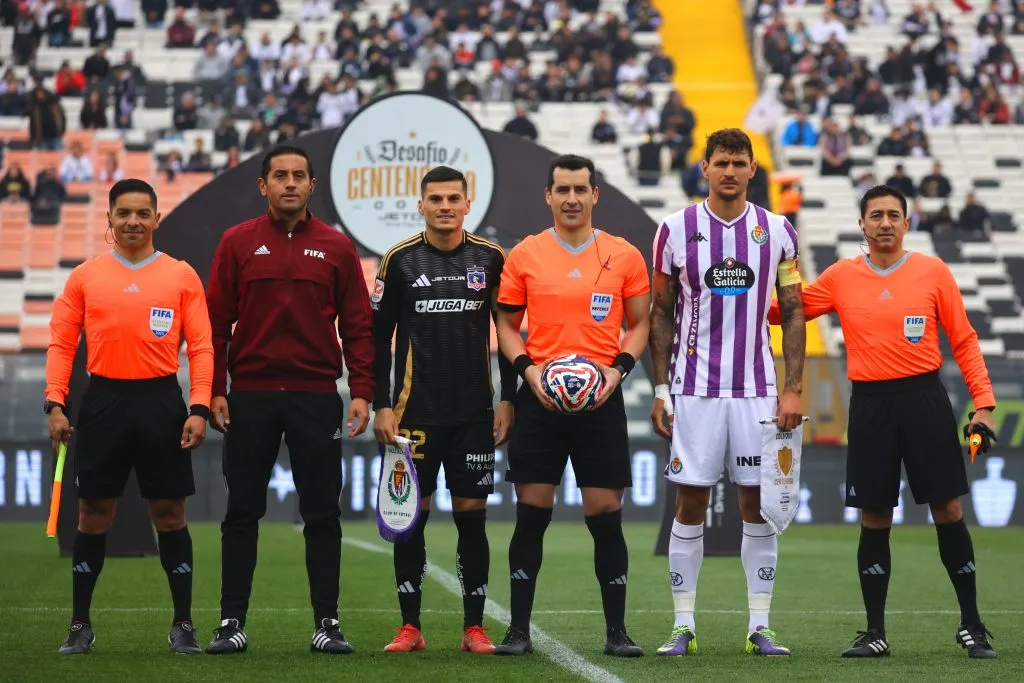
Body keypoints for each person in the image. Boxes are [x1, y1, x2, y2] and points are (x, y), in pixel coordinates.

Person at [767, 185, 998, 659]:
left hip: (926, 400)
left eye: (894, 214)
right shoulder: (841, 276)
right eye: (876, 215)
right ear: (862, 224)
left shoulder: (933, 271)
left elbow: (965, 339)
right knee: (875, 516)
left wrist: (985, 405)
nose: (886, 222)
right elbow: (787, 313)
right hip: (870, 405)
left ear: (907, 224)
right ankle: (875, 633)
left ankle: (972, 625)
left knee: (948, 511)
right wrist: (745, 290)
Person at [204, 146, 374, 655]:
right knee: (241, 513)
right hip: (250, 396)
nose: (290, 184)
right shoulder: (237, 243)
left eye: (299, 175)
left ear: (313, 185)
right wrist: (214, 388)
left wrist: (362, 389)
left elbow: (359, 328)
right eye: (280, 175)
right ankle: (231, 623)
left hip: (316, 396)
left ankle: (327, 623)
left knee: (322, 513)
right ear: (263, 186)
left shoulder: (337, 248)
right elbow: (214, 327)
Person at [648, 128, 805, 658]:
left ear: (752, 169)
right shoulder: (675, 229)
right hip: (693, 390)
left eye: (740, 162)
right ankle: (683, 626)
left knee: (756, 505)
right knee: (690, 501)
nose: (730, 171)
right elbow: (662, 312)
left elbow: (795, 309)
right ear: (705, 168)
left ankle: (760, 625)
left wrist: (793, 389)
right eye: (721, 162)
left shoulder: (778, 230)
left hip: (758, 389)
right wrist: (662, 389)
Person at [45, 178, 213, 655]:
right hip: (103, 403)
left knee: (169, 512)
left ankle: (183, 624)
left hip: (162, 402)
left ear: (157, 218)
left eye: (143, 213)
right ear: (110, 219)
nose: (134, 221)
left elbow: (200, 346)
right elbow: (61, 343)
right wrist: (55, 402)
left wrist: (198, 406)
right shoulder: (85, 276)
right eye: (124, 213)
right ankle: (80, 625)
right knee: (93, 513)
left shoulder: (181, 275)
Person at [493, 154, 651, 657]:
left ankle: (617, 632)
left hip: (600, 398)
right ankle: (518, 630)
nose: (572, 198)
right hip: (540, 398)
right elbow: (505, 325)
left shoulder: (624, 255)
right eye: (562, 189)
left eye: (581, 189)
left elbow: (641, 322)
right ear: (548, 195)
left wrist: (618, 369)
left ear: (595, 194)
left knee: (605, 511)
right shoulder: (526, 255)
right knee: (532, 511)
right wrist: (529, 372)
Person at [371, 166, 517, 654]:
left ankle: (473, 627)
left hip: (475, 414)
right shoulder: (399, 261)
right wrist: (380, 406)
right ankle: (410, 627)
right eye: (435, 198)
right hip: (413, 414)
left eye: (454, 197)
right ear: (421, 205)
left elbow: (513, 334)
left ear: (467, 203)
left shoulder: (492, 259)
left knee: (471, 519)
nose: (445, 206)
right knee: (411, 518)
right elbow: (375, 339)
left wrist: (509, 400)